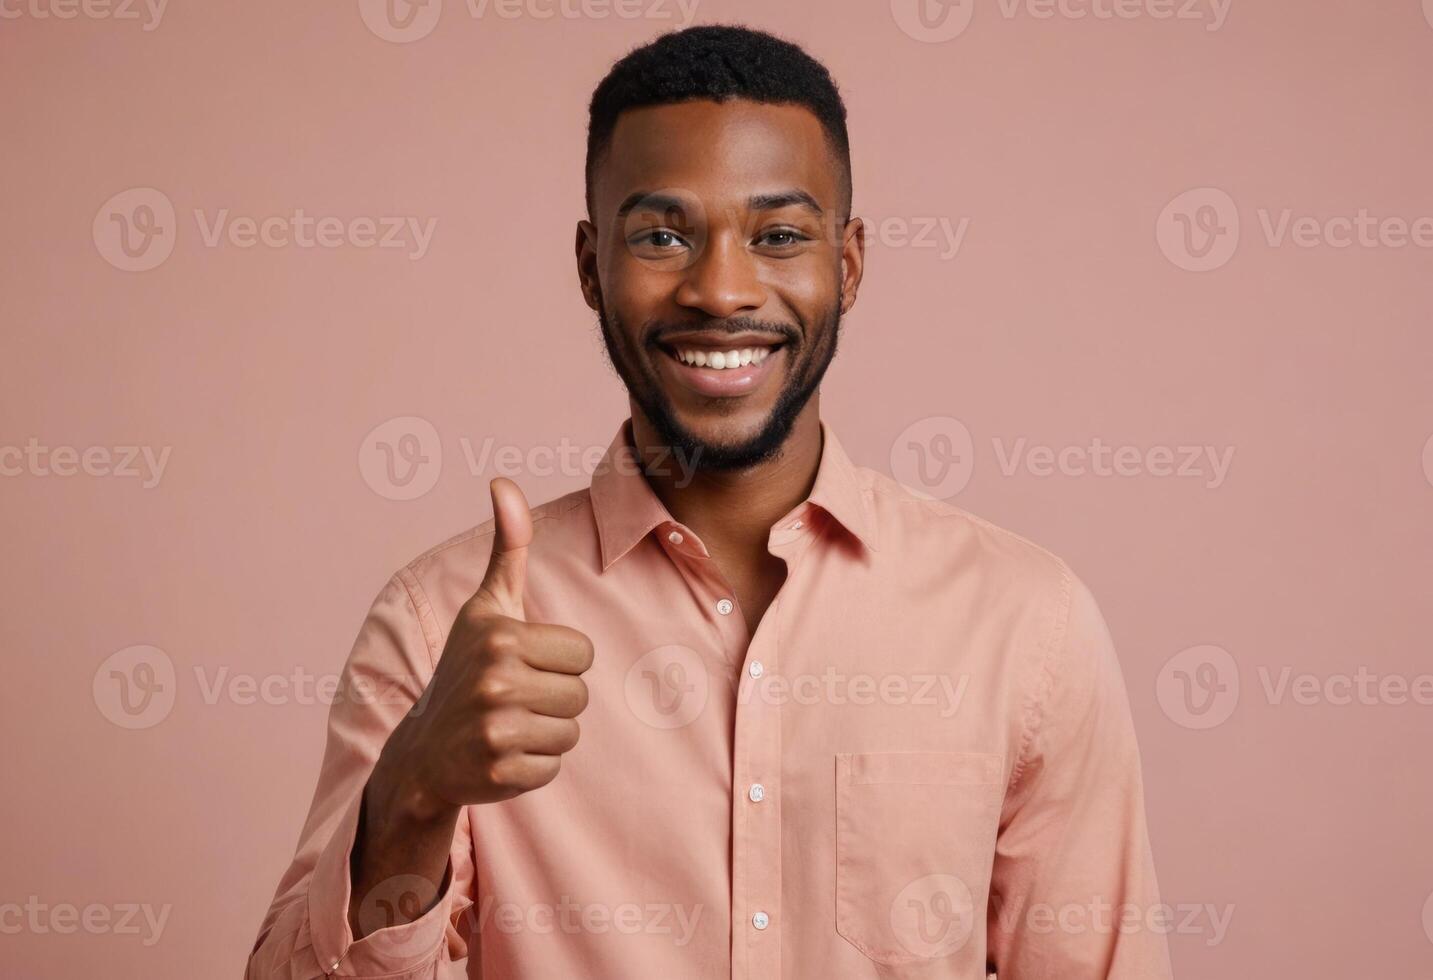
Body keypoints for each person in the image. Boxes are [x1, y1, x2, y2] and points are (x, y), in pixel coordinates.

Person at [246, 24, 1174, 980]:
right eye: (660, 235)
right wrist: (410, 797)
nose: (722, 291)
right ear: (587, 265)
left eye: (777, 236)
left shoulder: (1027, 625)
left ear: (847, 265)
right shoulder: (440, 628)